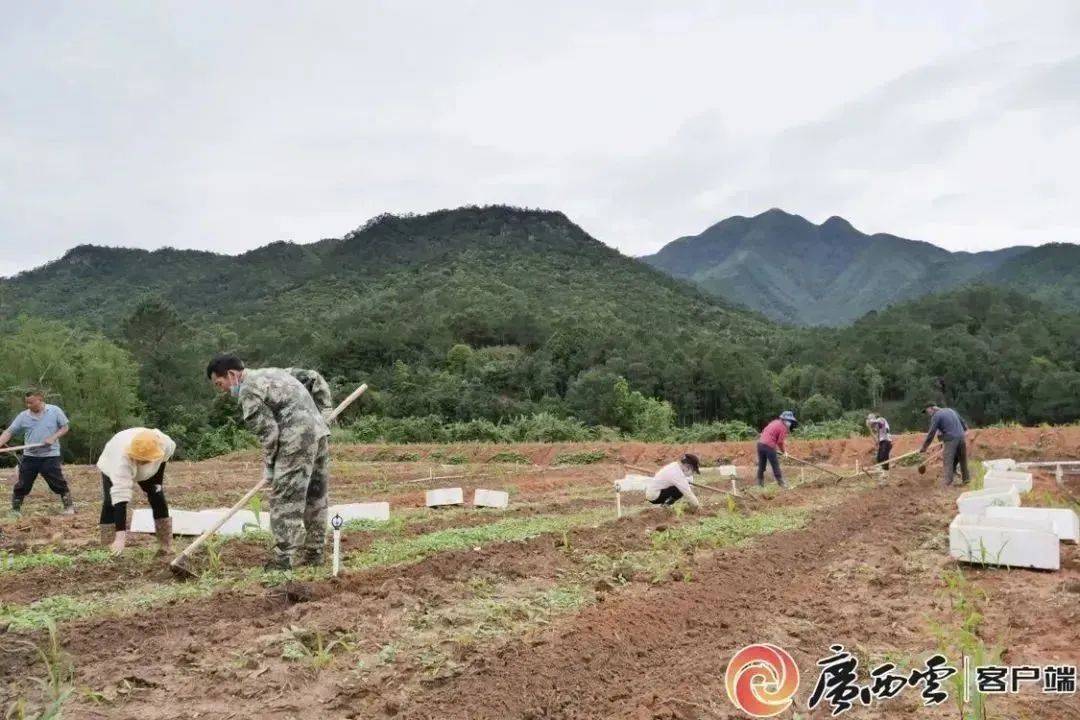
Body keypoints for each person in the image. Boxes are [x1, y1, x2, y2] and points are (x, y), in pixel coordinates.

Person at [206, 354, 333, 570]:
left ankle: (282, 560)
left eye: (220, 384)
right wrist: (325, 411)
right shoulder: (274, 371)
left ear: (231, 374)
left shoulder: (248, 390)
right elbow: (313, 377)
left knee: (284, 499)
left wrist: (270, 465)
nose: (223, 389)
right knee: (315, 496)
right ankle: (314, 553)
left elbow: (269, 433)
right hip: (319, 434)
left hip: (295, 441)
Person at [96, 428, 177, 557]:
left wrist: (157, 484)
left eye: (143, 460)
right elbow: (120, 499)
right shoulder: (121, 462)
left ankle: (166, 546)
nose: (140, 462)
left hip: (149, 468)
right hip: (112, 461)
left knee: (157, 496)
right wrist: (121, 537)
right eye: (138, 459)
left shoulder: (165, 443)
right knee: (110, 501)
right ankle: (109, 547)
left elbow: (163, 460)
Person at [0, 391, 74, 516]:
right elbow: (9, 432)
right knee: (23, 484)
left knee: (58, 482)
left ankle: (68, 507)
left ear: (40, 399)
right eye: (27, 402)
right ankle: (15, 510)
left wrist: (53, 437)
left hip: (50, 455)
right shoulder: (23, 416)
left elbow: (65, 427)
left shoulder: (54, 411)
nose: (28, 405)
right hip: (30, 456)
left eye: (31, 402)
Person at [920, 403, 970, 486]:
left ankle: (948, 483)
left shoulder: (936, 416)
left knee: (948, 461)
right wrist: (964, 430)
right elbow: (962, 421)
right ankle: (966, 479)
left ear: (931, 408)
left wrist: (924, 447)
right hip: (961, 436)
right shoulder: (950, 410)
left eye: (927, 411)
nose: (928, 413)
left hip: (951, 439)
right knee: (962, 459)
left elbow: (932, 432)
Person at [757, 411, 796, 488]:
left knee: (761, 465)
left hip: (760, 444)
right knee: (775, 465)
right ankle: (781, 484)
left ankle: (760, 484)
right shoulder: (783, 427)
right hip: (769, 446)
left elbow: (764, 431)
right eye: (789, 421)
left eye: (790, 421)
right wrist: (784, 452)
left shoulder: (774, 422)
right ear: (784, 419)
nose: (789, 423)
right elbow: (780, 442)